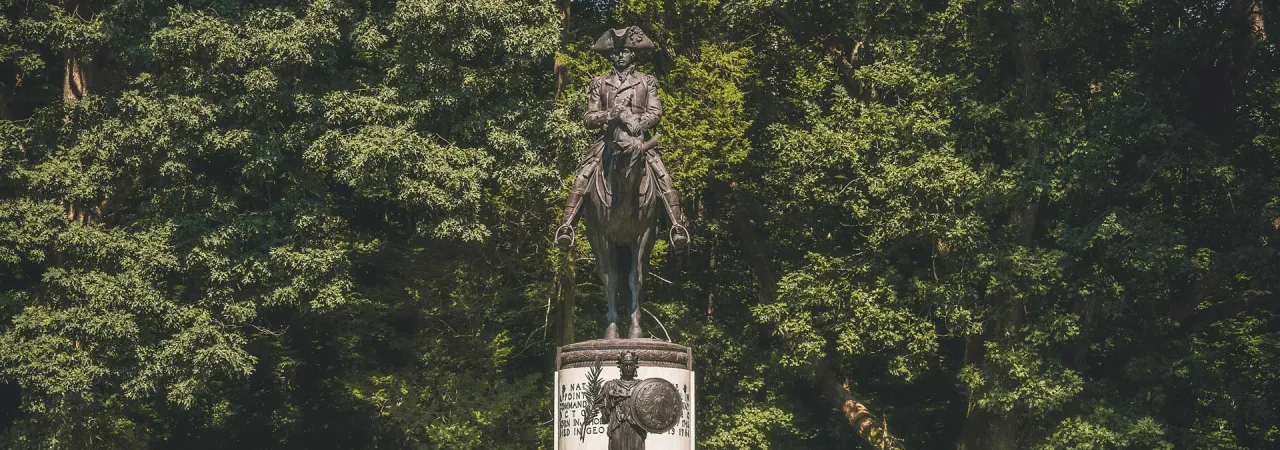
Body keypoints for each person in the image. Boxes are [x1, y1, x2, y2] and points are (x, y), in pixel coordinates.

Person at [554, 26, 691, 251]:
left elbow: (655, 112)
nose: (620, 56)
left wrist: (640, 122)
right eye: (616, 52)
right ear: (611, 55)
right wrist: (610, 115)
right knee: (583, 175)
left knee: (662, 175)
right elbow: (589, 117)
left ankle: (676, 227)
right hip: (607, 141)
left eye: (625, 52)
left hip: (638, 139)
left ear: (632, 54)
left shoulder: (647, 81)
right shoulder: (599, 83)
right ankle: (567, 227)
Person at [596, 351, 646, 449]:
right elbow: (604, 414)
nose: (628, 368)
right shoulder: (610, 385)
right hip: (617, 427)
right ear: (621, 366)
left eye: (631, 365)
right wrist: (609, 403)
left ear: (635, 366)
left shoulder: (642, 386)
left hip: (636, 428)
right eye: (625, 365)